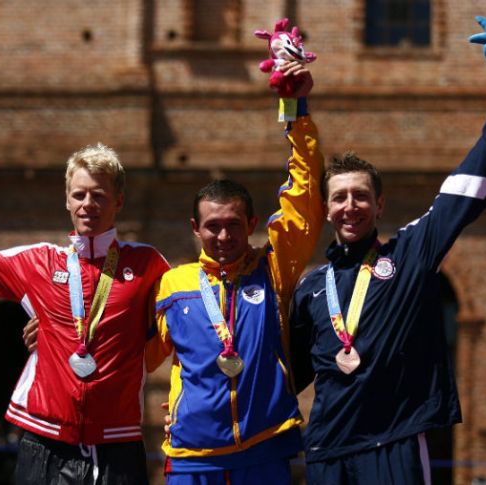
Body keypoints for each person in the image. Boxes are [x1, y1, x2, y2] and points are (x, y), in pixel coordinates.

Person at [288, 62, 486, 484]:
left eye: (361, 196)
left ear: (380, 206)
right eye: (339, 198)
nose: (350, 206)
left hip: (393, 443)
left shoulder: (409, 255)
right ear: (326, 209)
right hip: (326, 451)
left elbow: (467, 189)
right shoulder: (311, 288)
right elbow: (285, 376)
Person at [0, 141, 170, 484]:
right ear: (66, 200)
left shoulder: (148, 264)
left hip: (118, 442)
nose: (88, 204)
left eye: (99, 195)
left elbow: (188, 325)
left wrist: (185, 402)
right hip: (45, 440)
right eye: (79, 195)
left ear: (119, 201)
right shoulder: (38, 262)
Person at [144, 62, 325, 485]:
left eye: (233, 225)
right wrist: (59, 330)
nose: (224, 236)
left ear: (252, 224)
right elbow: (137, 353)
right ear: (195, 228)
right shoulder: (173, 284)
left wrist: (296, 109)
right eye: (213, 226)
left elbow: (305, 202)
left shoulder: (272, 269)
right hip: (191, 455)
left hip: (264, 447)